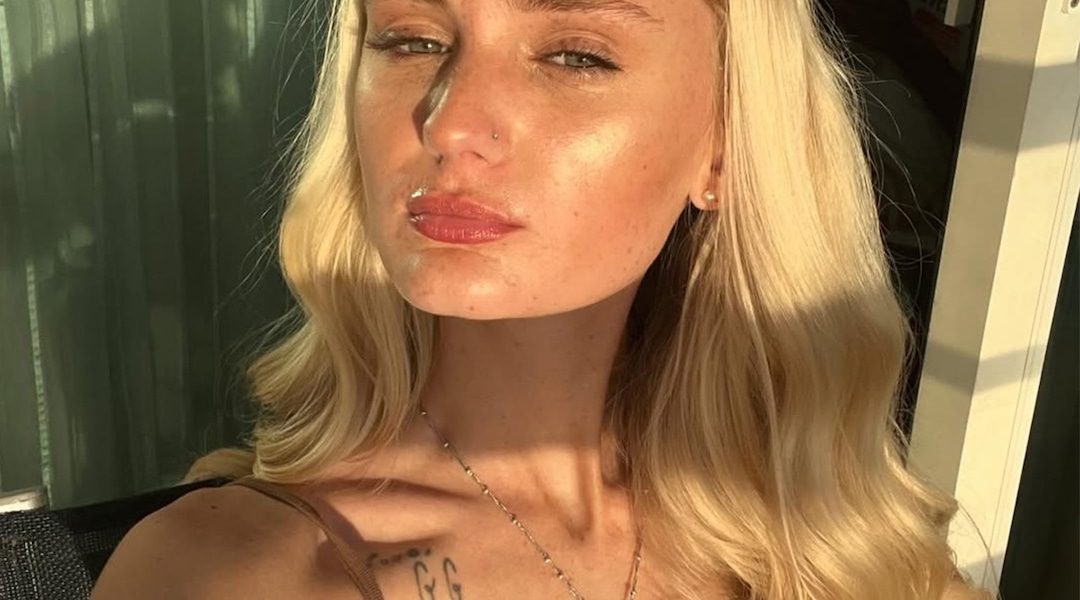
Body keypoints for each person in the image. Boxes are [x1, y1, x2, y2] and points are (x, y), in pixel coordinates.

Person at [91, 0, 995, 598]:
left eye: (574, 55)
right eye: (411, 40)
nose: (449, 123)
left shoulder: (832, 540)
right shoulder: (242, 574)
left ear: (722, 144)